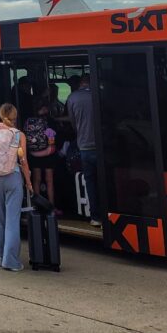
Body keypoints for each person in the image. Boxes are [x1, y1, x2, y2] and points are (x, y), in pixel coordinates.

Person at [0, 103, 33, 272]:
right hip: (12, 177)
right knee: (12, 220)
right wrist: (28, 182)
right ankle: (10, 260)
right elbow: (24, 161)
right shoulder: (18, 135)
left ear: (0, 115)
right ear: (15, 116)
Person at [65, 74, 100, 226]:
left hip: (84, 146)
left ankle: (96, 217)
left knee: (90, 182)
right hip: (101, 147)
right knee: (104, 181)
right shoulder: (97, 94)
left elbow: (72, 122)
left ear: (80, 83)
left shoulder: (72, 98)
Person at [24, 98, 60, 214]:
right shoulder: (48, 121)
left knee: (36, 180)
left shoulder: (29, 120)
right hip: (47, 155)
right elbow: (51, 141)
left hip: (34, 155)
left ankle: (36, 206)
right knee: (49, 181)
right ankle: (51, 207)